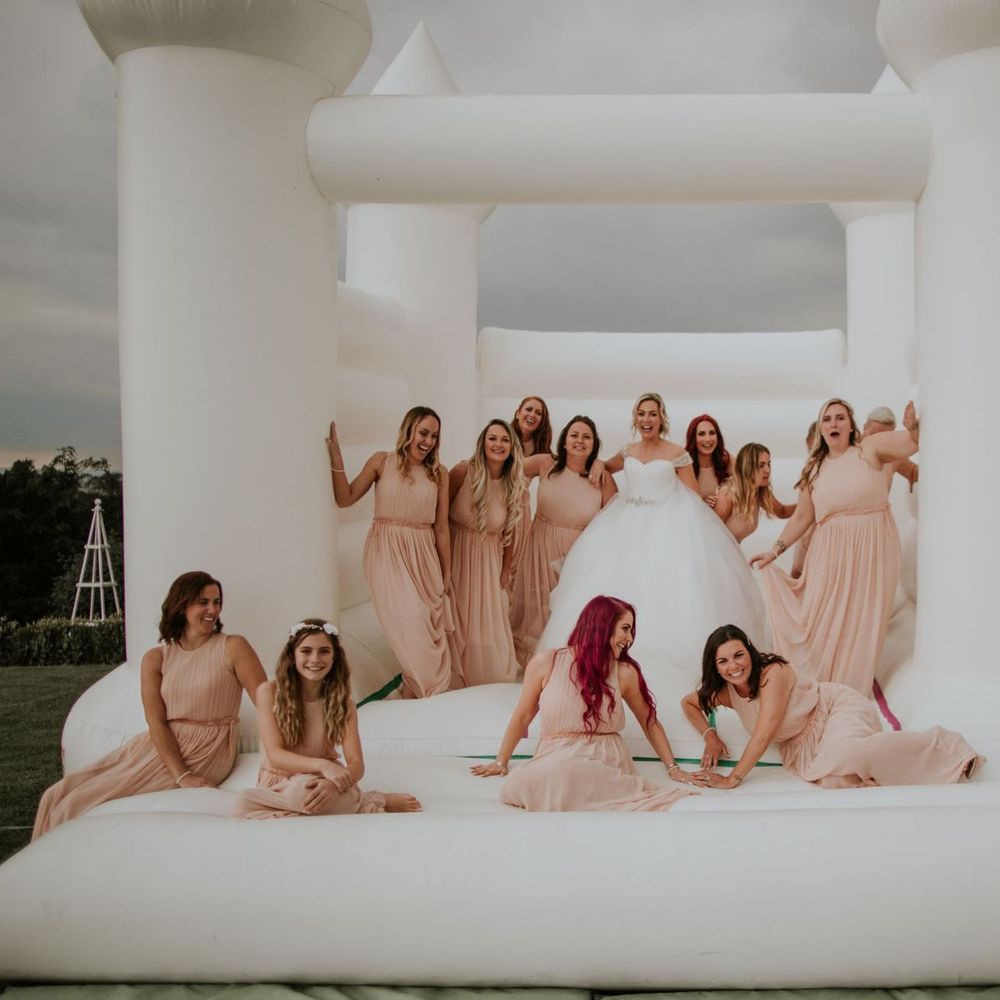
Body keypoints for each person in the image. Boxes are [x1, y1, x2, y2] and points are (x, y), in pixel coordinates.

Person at [541, 393, 767, 674]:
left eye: (652, 414)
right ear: (635, 418)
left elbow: (692, 494)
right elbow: (607, 465)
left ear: (662, 419)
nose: (646, 419)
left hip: (666, 525)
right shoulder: (628, 450)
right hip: (625, 524)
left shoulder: (676, 453)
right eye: (642, 414)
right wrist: (599, 464)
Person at [33, 571, 267, 839]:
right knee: (56, 794)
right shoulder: (156, 658)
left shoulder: (232, 646)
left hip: (206, 749)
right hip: (158, 743)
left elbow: (265, 700)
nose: (212, 610)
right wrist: (179, 774)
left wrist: (185, 776)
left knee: (76, 803)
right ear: (182, 606)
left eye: (216, 602)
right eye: (203, 602)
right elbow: (156, 721)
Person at [749, 398, 919, 697]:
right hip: (829, 552)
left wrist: (914, 427)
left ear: (851, 425)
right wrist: (775, 551)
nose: (833, 424)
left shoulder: (870, 448)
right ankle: (813, 686)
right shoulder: (814, 469)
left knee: (862, 621)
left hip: (874, 548)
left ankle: (847, 692)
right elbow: (803, 516)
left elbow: (910, 443)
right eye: (827, 419)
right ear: (821, 429)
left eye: (840, 418)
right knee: (819, 617)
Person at [681, 625, 982, 789]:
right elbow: (688, 703)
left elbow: (762, 734)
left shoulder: (773, 673)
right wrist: (710, 735)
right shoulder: (724, 692)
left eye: (738, 655)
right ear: (715, 667)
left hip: (833, 710)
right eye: (723, 661)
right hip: (802, 745)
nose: (733, 666)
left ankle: (946, 748)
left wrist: (733, 779)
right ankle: (888, 765)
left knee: (853, 754)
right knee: (837, 780)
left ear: (750, 652)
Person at [472, 596, 699, 810]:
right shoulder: (546, 662)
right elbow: (522, 715)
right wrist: (501, 761)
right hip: (554, 757)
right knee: (515, 785)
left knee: (567, 772)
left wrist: (673, 768)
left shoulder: (624, 672)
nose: (630, 639)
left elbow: (650, 722)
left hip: (601, 759)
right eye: (625, 629)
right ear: (603, 625)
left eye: (631, 630)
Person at [326, 408, 457, 698]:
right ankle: (430, 691)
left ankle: (420, 690)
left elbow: (442, 529)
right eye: (423, 433)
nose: (428, 441)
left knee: (426, 620)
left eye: (434, 436)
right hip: (386, 550)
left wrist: (446, 574)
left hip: (423, 553)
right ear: (408, 430)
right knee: (409, 617)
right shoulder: (381, 462)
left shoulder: (439, 473)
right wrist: (337, 460)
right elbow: (345, 498)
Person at [234, 620, 420, 818]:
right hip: (282, 782)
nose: (315, 659)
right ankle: (365, 801)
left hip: (326, 780)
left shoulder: (344, 703)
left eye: (324, 651)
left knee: (308, 793)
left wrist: (332, 785)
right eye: (306, 651)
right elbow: (276, 756)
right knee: (245, 803)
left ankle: (353, 800)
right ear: (292, 656)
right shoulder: (269, 692)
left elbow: (356, 764)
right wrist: (324, 765)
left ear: (334, 658)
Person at [509, 416, 617, 666]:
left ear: (594, 444)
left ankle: (561, 665)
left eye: (586, 437)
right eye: (574, 435)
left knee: (566, 611)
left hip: (578, 555)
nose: (580, 441)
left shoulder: (602, 478)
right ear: (564, 441)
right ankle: (528, 668)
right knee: (532, 611)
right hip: (539, 547)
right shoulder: (546, 463)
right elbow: (505, 466)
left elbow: (615, 521)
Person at [449, 419, 527, 685]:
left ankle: (483, 676)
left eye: (505, 440)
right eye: (493, 438)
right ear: (483, 442)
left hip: (490, 560)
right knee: (458, 616)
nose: (498, 444)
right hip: (458, 554)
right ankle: (454, 675)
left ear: (512, 447)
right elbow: (438, 520)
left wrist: (506, 570)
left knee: (486, 618)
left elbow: (510, 535)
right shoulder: (461, 472)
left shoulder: (513, 485)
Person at [711, 443, 795, 543]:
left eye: (769, 464)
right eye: (761, 465)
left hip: (733, 552)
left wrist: (810, 502)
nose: (767, 470)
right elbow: (710, 534)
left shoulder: (759, 492)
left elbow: (782, 511)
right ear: (747, 467)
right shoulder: (728, 495)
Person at [864, 406, 920, 490]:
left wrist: (915, 427)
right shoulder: (849, 448)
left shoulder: (895, 456)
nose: (877, 443)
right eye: (873, 436)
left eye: (884, 439)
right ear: (865, 428)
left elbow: (914, 473)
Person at [789, 421, 817, 580]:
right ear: (809, 440)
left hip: (819, 529)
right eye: (817, 439)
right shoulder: (809, 467)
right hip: (808, 529)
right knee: (798, 570)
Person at [685, 413, 732, 502]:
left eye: (712, 433)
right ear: (693, 438)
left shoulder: (726, 459)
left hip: (722, 515)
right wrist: (703, 504)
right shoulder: (684, 464)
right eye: (701, 434)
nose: (708, 439)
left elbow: (747, 484)